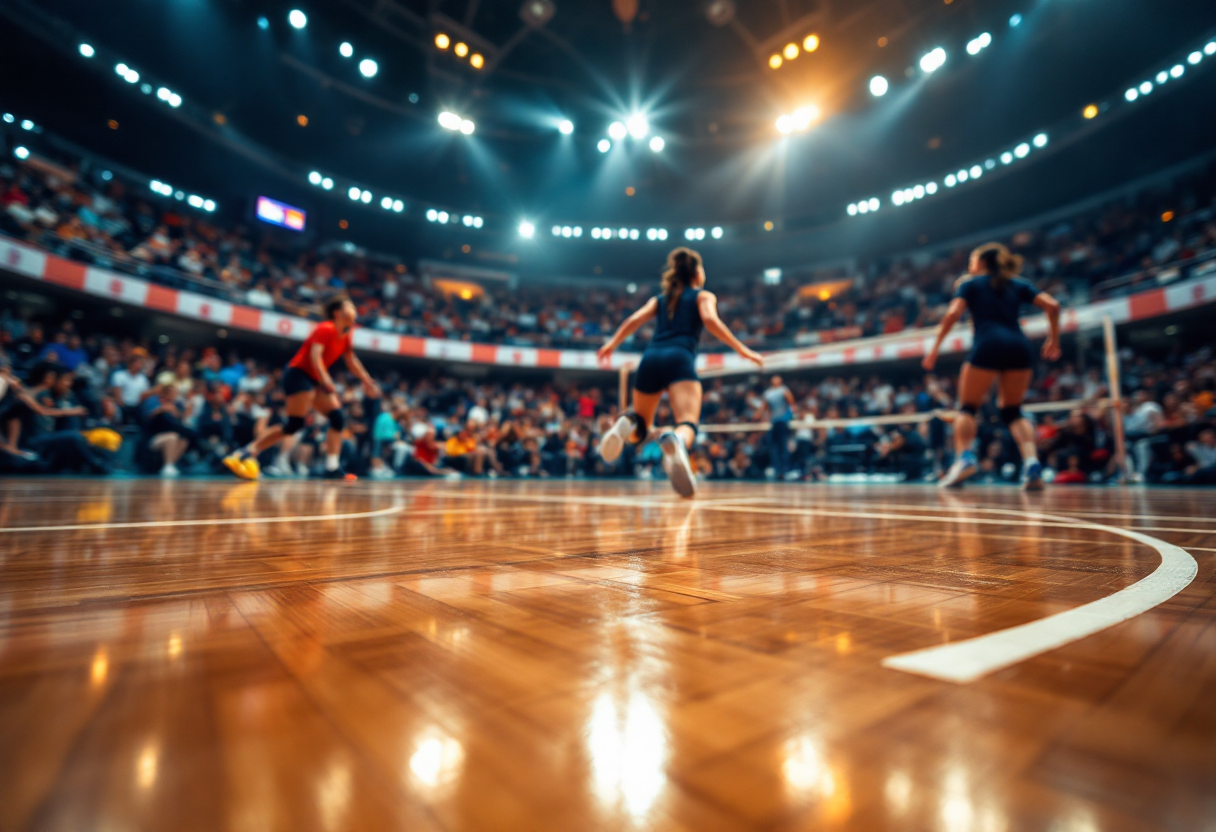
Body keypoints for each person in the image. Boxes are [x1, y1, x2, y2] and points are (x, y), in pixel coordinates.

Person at [596, 247, 763, 497]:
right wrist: (742, 349)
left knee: (640, 427)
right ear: (697, 272)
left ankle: (626, 422)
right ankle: (677, 440)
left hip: (650, 359)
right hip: (680, 358)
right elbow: (710, 321)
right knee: (687, 422)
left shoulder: (660, 299)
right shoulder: (702, 296)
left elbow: (634, 320)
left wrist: (612, 343)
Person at [923, 242, 1061, 490]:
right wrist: (1054, 339)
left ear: (983, 262)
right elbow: (1053, 306)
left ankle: (964, 459)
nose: (969, 266)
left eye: (972, 261)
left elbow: (952, 315)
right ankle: (1031, 463)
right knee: (1012, 412)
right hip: (1019, 346)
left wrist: (934, 348)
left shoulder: (969, 284)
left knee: (967, 408)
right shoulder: (1016, 283)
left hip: (988, 343)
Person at [223, 296, 380, 480]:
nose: (354, 308)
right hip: (299, 374)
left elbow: (351, 361)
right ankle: (245, 452)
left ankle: (332, 468)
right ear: (337, 313)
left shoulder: (346, 334)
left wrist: (367, 380)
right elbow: (315, 357)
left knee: (337, 418)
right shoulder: (325, 328)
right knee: (294, 424)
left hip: (315, 379)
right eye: (350, 306)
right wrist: (325, 379)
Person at [761, 375, 795, 479]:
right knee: (774, 448)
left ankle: (786, 471)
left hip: (783, 422)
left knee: (783, 447)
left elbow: (791, 403)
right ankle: (777, 471)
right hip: (774, 423)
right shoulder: (768, 393)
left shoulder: (784, 390)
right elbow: (764, 407)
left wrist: (791, 416)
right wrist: (761, 415)